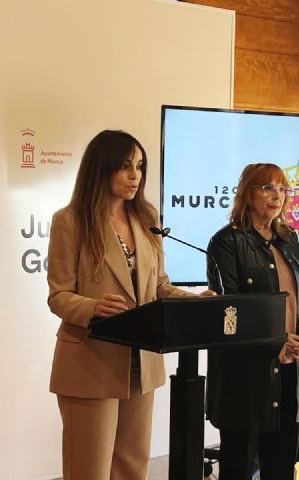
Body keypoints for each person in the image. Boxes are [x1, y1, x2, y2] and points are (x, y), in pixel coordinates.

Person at [47, 129, 213, 480]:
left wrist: (195, 301)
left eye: (139, 166)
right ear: (101, 168)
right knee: (89, 470)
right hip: (91, 363)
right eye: (124, 166)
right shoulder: (71, 221)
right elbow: (59, 296)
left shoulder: (146, 218)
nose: (135, 175)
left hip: (142, 362)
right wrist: (92, 307)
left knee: (132, 469)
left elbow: (159, 286)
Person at [206, 163, 299, 480]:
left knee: (281, 466)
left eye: (283, 188)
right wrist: (276, 345)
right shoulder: (226, 242)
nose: (278, 195)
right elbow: (229, 311)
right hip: (246, 375)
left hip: (292, 369)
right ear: (247, 194)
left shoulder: (289, 238)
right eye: (268, 187)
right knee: (239, 467)